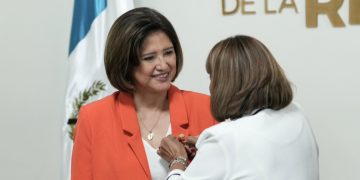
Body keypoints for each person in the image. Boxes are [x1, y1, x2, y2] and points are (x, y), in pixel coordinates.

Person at [71, 7, 216, 180]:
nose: (163, 65)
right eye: (149, 58)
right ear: (126, 63)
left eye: (168, 53)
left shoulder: (207, 109)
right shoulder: (93, 118)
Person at [158, 35, 319, 180]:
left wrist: (177, 160)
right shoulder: (297, 113)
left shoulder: (225, 139)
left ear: (224, 84)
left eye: (212, 77)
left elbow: (234, 143)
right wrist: (207, 146)